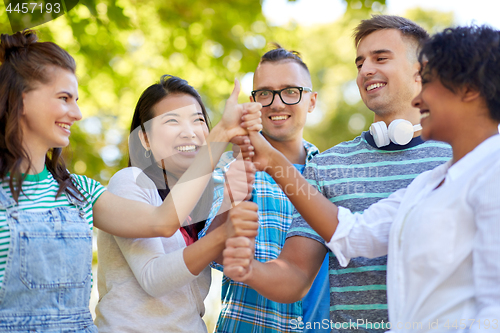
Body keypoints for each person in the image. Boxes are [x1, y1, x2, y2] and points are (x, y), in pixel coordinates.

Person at [226, 24, 500, 331]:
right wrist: (249, 267)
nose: (365, 70)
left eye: (380, 58)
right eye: (360, 63)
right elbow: (354, 235)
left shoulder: (485, 170)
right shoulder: (427, 184)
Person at [0, 30, 261, 332]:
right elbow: (156, 273)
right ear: (20, 98)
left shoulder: (79, 192)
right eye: (64, 98)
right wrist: (222, 133)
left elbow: (163, 221)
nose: (78, 113)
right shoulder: (130, 182)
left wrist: (234, 151)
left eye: (76, 100)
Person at [94, 75, 260, 332]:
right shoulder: (130, 182)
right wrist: (222, 133)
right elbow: (154, 278)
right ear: (145, 139)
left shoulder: (203, 199)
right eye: (172, 121)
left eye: (198, 120)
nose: (189, 131)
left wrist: (232, 197)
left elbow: (226, 256)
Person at [199, 46, 331, 333]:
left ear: (311, 100)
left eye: (291, 91)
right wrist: (233, 202)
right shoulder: (231, 167)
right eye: (265, 93)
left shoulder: (334, 174)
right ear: (252, 103)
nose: (277, 103)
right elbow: (212, 253)